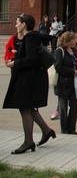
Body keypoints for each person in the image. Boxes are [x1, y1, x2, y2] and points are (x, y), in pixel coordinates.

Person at [3, 13, 55, 154]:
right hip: (32, 78)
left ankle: (28, 142)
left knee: (25, 108)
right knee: (29, 108)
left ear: (24, 24)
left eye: (17, 22)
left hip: (30, 79)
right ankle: (46, 131)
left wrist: (15, 63)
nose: (15, 25)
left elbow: (32, 60)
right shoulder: (31, 37)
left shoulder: (30, 38)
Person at [54, 31, 77, 134]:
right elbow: (58, 67)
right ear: (68, 40)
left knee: (74, 106)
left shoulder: (73, 50)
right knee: (63, 108)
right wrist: (71, 71)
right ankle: (64, 129)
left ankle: (72, 128)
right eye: (73, 39)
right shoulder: (59, 51)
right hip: (63, 83)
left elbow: (75, 63)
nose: (75, 41)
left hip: (74, 83)